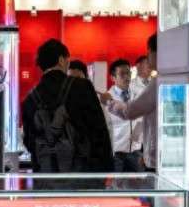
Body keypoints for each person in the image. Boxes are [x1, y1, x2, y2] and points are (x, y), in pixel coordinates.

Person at [21, 39, 113, 175]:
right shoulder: (82, 87)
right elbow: (98, 132)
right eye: (67, 60)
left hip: (45, 175)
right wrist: (106, 169)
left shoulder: (29, 99)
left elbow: (29, 141)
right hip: (81, 175)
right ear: (61, 60)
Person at [100, 34, 159, 172]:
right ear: (113, 77)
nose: (147, 56)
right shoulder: (158, 83)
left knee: (145, 182)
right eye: (122, 74)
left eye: (149, 51)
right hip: (117, 152)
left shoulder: (152, 86)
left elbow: (130, 112)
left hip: (140, 152)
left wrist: (110, 101)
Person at [104, 59, 143, 172]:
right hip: (115, 154)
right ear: (113, 77)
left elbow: (141, 120)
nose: (126, 77)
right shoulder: (106, 98)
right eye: (122, 74)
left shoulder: (137, 94)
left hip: (135, 151)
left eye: (128, 73)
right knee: (114, 182)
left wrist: (136, 141)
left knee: (142, 180)